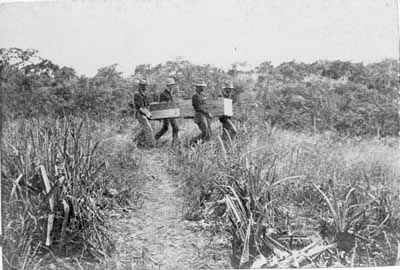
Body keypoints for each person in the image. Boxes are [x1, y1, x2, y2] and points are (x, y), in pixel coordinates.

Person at [154, 78, 179, 145]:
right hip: (166, 114)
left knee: (172, 127)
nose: (172, 86)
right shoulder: (163, 94)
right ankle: (154, 139)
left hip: (171, 113)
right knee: (170, 127)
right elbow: (162, 105)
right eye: (171, 85)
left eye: (173, 85)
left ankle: (174, 143)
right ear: (168, 85)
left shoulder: (170, 93)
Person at [132, 79, 156, 148]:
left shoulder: (145, 94)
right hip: (140, 114)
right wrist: (146, 114)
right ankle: (150, 146)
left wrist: (148, 113)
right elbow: (140, 107)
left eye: (145, 85)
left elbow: (147, 105)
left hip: (145, 113)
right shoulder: (137, 94)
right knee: (149, 130)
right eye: (143, 85)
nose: (145, 87)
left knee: (144, 130)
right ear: (140, 86)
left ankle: (134, 141)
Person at [190, 80, 213, 146]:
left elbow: (205, 106)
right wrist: (207, 112)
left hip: (204, 116)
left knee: (209, 133)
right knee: (206, 133)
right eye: (201, 87)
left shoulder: (202, 96)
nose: (203, 88)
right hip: (199, 116)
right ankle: (193, 142)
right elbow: (198, 107)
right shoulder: (195, 96)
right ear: (197, 87)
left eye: (203, 87)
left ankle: (203, 145)